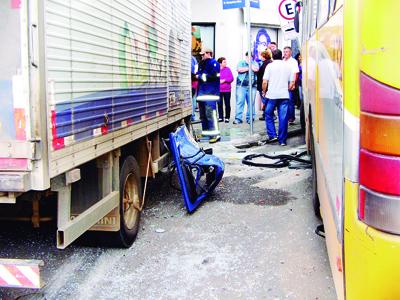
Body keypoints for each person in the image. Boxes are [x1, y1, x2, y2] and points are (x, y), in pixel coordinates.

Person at [262, 49, 295, 146]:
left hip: (272, 95)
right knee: (283, 118)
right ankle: (282, 140)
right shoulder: (288, 66)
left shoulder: (270, 66)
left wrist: (264, 91)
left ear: (272, 56)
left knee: (268, 114)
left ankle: (272, 135)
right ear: (281, 56)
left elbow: (265, 82)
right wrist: (287, 89)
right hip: (284, 95)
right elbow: (292, 82)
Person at [196, 47, 221, 143]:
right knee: (203, 115)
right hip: (202, 93)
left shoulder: (214, 63)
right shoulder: (202, 63)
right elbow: (198, 74)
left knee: (210, 114)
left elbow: (213, 76)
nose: (201, 56)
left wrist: (201, 76)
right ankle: (207, 134)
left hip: (210, 94)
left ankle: (215, 134)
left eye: (203, 54)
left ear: (209, 53)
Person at [233, 52, 259, 124]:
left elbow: (256, 69)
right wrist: (249, 67)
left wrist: (248, 67)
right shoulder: (241, 62)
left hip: (252, 86)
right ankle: (238, 118)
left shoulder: (255, 63)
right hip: (241, 86)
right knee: (240, 102)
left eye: (251, 57)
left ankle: (250, 118)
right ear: (246, 56)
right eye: (248, 56)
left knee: (251, 103)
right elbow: (239, 69)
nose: (249, 58)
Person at [282, 46, 299, 124]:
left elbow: (296, 73)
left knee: (290, 100)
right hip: (283, 82)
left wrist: (293, 84)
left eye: (287, 51)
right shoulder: (283, 61)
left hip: (290, 82)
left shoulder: (293, 61)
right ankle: (285, 117)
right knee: (284, 100)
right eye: (284, 51)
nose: (285, 53)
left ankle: (291, 118)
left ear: (290, 52)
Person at [256, 49, 273, 121]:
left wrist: (263, 89)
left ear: (264, 56)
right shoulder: (269, 63)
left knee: (266, 101)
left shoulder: (266, 64)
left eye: (262, 56)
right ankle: (265, 115)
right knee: (266, 101)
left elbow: (264, 77)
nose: (260, 57)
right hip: (267, 85)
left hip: (264, 86)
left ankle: (270, 115)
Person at [217, 57, 234, 123]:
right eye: (224, 62)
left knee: (227, 104)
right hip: (218, 90)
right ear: (220, 63)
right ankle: (221, 117)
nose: (225, 63)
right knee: (219, 104)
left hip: (227, 90)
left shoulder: (228, 69)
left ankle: (227, 117)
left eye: (225, 62)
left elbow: (231, 78)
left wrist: (224, 80)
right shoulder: (216, 70)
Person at [191, 55, 198, 121]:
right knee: (193, 99)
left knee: (192, 99)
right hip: (195, 82)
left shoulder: (190, 59)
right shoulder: (194, 59)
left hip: (192, 82)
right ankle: (193, 115)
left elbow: (194, 72)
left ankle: (192, 115)